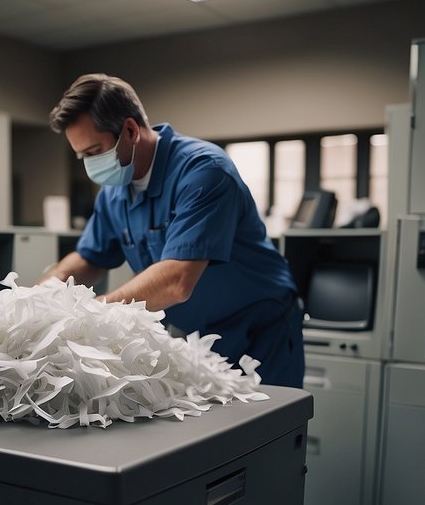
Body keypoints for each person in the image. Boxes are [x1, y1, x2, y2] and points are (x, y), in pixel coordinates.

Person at [38, 73, 304, 388]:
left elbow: (177, 281)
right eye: (82, 156)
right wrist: (34, 302)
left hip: (259, 331)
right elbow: (89, 258)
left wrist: (87, 314)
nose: (89, 165)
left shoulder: (204, 171)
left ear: (130, 130)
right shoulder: (115, 191)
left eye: (94, 152)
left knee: (269, 431)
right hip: (198, 335)